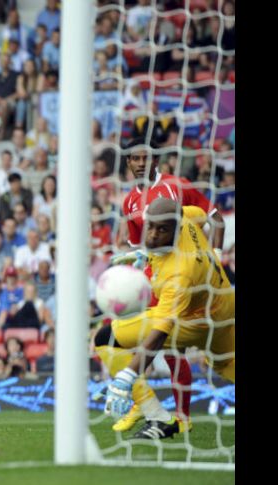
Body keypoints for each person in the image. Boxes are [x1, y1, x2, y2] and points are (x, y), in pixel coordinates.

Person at [108, 137, 227, 434]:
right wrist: (135, 265)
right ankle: (142, 404)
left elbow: (216, 219)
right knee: (129, 339)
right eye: (133, 159)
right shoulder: (129, 202)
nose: (139, 164)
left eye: (144, 158)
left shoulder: (176, 185)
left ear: (155, 161)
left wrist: (216, 259)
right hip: (152, 280)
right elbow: (143, 249)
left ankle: (183, 416)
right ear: (127, 163)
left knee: (174, 349)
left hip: (184, 278)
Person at [97, 199, 234, 440]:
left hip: (194, 323)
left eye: (162, 230)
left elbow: (159, 334)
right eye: (150, 226)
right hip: (224, 305)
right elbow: (208, 216)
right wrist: (148, 255)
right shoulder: (188, 216)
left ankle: (154, 412)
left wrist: (127, 376)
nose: (152, 235)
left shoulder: (180, 273)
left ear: (177, 227)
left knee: (105, 338)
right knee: (226, 365)